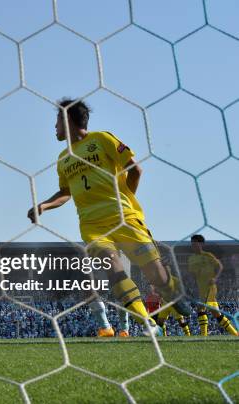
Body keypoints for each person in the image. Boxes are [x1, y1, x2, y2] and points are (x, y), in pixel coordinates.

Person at [27, 98, 190, 336]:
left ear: (67, 119)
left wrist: (124, 202)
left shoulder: (102, 139)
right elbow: (66, 193)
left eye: (56, 122)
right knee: (113, 269)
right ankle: (148, 324)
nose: (54, 128)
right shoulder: (63, 158)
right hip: (92, 226)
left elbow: (135, 169)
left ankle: (173, 292)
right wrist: (44, 205)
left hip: (124, 218)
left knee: (156, 275)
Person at [187, 234, 237, 336]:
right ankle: (235, 334)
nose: (193, 245)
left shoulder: (208, 256)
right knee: (217, 314)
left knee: (200, 308)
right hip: (201, 288)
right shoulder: (191, 259)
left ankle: (203, 336)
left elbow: (220, 266)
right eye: (192, 243)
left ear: (201, 244)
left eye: (195, 243)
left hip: (209, 287)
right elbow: (192, 273)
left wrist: (215, 278)